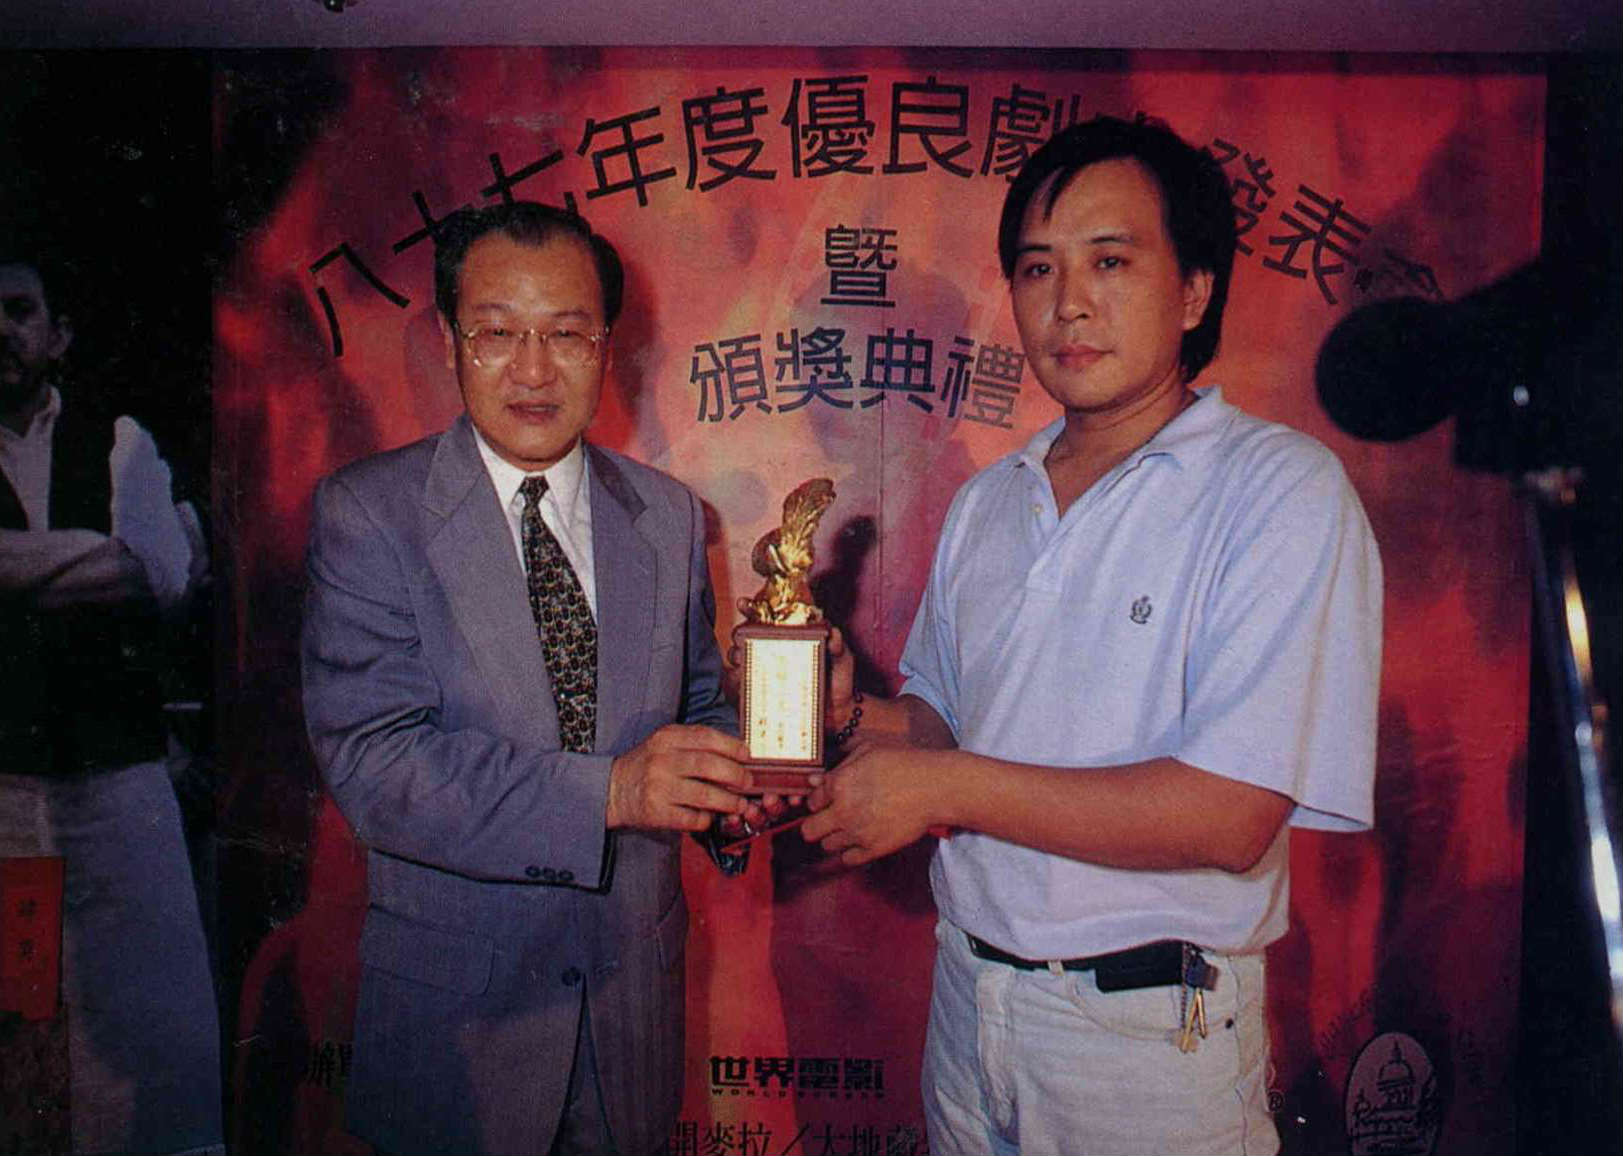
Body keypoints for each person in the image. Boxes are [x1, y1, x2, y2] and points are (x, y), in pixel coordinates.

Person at [802, 116, 1383, 1155]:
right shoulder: (992, 499)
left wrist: (938, 789)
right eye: (1037, 268)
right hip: (968, 1001)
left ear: (1194, 290)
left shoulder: (1278, 490)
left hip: (1145, 1037)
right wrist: (852, 716)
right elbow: (944, 724)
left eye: (1109, 261)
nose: (1067, 302)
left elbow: (1228, 814)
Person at [301, 202, 759, 1155]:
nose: (534, 369)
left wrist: (763, 765)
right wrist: (614, 791)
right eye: (498, 333)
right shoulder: (371, 514)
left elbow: (699, 709)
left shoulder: (669, 516)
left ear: (606, 345)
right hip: (461, 1036)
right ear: (449, 342)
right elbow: (379, 768)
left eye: (566, 334)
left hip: (630, 1023)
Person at [0, 250, 220, 1154]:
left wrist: (18, 572)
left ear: (57, 335)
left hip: (120, 783)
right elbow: (131, 564)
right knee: (22, 1011)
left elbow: (159, 577)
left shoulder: (119, 438)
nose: (0, 330)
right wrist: (99, 553)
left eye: (18, 310)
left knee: (151, 1015)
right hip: (8, 796)